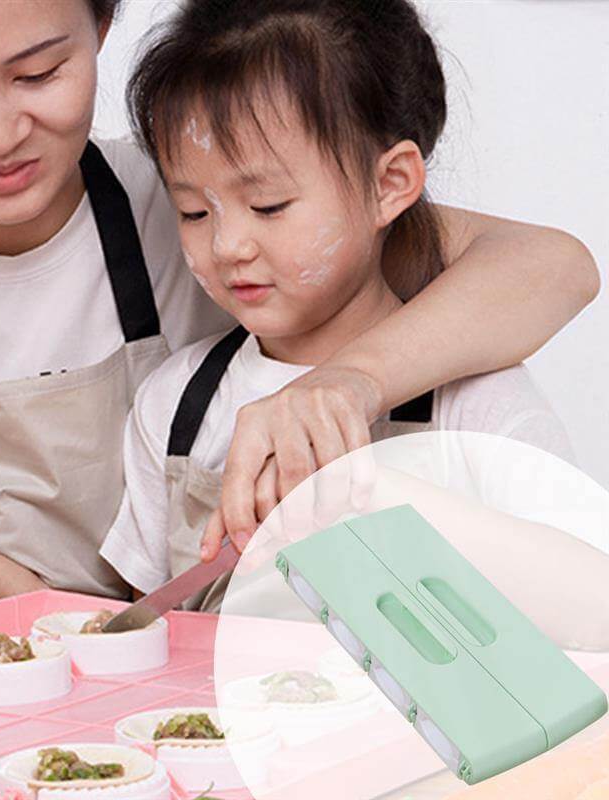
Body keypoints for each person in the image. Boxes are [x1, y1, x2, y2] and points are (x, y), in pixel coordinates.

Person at [0, 0, 598, 626]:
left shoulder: (198, 174)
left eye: (39, 73)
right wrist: (0, 584)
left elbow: (549, 264)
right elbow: (143, 627)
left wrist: (347, 383)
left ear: (101, 29)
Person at [99, 0, 603, 619]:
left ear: (389, 184)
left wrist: (395, 501)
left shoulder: (473, 399)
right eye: (194, 212)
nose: (228, 245)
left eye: (269, 205)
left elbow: (592, 602)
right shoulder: (174, 402)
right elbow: (147, 627)